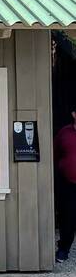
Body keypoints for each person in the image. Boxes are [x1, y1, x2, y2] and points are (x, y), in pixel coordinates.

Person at [55, 110, 76, 263]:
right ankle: (63, 249)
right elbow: (54, 154)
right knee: (67, 218)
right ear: (74, 114)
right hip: (68, 183)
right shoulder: (64, 133)